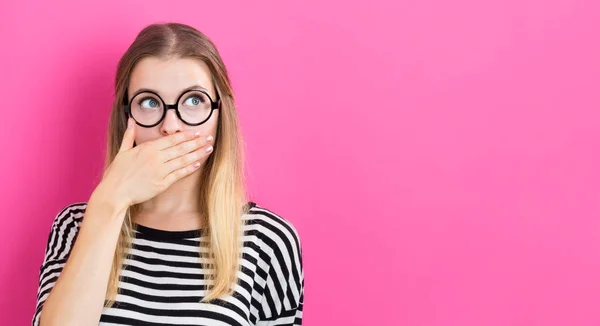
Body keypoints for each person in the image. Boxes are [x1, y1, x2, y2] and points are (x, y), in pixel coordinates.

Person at [32, 22, 304, 326]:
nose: (171, 126)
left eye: (193, 101)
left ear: (220, 114)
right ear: (126, 117)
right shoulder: (75, 226)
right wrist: (112, 200)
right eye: (149, 103)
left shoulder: (268, 239)